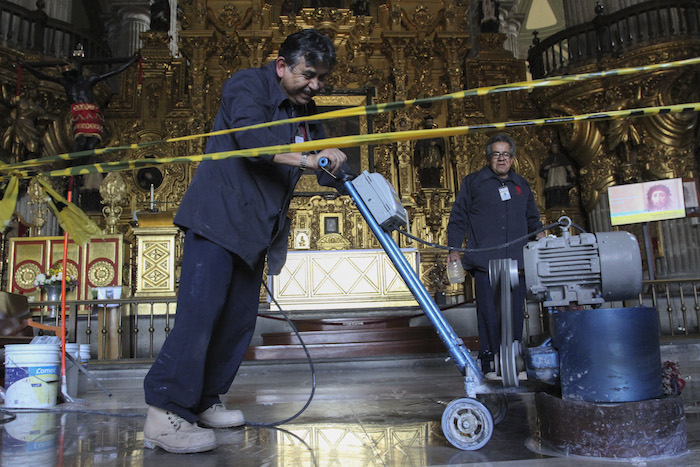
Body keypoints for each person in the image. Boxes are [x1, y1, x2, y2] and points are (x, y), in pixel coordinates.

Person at [142, 29, 348, 454]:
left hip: (255, 232)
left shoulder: (303, 112)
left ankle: (203, 400)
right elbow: (254, 140)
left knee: (236, 324)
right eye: (308, 75)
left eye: (321, 78)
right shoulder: (246, 85)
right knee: (199, 319)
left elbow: (326, 156)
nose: (315, 85)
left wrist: (337, 165)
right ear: (282, 66)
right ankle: (164, 413)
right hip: (218, 221)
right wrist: (311, 157)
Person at [446, 133, 544, 373]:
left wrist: (541, 238)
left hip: (516, 262)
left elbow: (533, 218)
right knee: (489, 314)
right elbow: (458, 218)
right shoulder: (474, 182)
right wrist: (454, 249)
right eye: (497, 154)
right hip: (486, 263)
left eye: (506, 154)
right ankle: (490, 362)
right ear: (489, 157)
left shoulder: (521, 184)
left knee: (513, 315)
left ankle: (513, 361)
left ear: (512, 158)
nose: (502, 159)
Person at [540, 141, 576, 209]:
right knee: (553, 189)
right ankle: (554, 203)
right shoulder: (549, 158)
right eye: (553, 147)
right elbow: (544, 167)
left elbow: (567, 164)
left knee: (562, 187)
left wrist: (571, 172)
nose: (554, 149)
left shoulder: (562, 157)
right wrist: (551, 165)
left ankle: (563, 202)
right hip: (552, 175)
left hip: (561, 174)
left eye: (555, 147)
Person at [414, 116, 446, 188]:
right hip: (426, 155)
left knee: (435, 168)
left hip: (435, 155)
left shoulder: (436, 133)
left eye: (431, 122)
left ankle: (435, 182)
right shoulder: (423, 134)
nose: (429, 123)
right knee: (426, 169)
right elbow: (419, 144)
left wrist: (436, 143)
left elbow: (441, 142)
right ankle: (427, 183)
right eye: (428, 122)